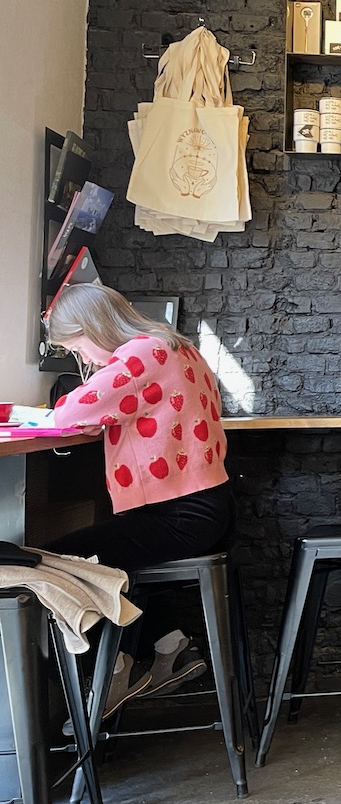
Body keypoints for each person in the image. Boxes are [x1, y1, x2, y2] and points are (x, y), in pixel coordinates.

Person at [44, 282, 233, 715]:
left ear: (93, 326)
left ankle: (110, 671)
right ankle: (172, 648)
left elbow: (69, 413)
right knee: (124, 558)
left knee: (59, 562)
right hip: (206, 507)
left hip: (181, 514)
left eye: (78, 347)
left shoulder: (142, 354)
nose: (86, 359)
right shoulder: (175, 346)